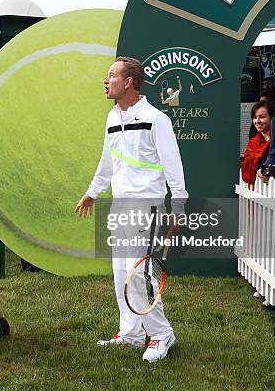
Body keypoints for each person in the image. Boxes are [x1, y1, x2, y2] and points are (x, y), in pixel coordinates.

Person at [74, 56, 187, 363]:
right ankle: (132, 335)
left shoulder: (156, 118)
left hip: (147, 206)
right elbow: (107, 161)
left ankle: (162, 335)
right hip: (119, 205)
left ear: (128, 82)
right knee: (121, 273)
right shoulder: (112, 118)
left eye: (111, 75)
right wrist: (92, 193)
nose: (105, 80)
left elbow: (172, 162)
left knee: (139, 275)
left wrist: (179, 203)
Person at [241, 101, 274, 185]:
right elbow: (246, 167)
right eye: (255, 117)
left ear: (272, 117)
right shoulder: (253, 142)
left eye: (262, 117)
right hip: (255, 186)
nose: (257, 121)